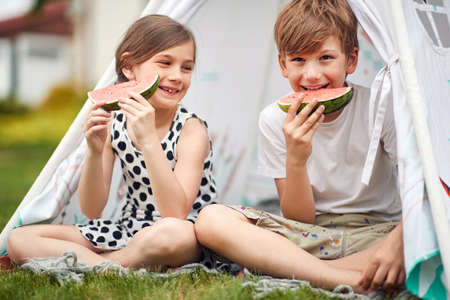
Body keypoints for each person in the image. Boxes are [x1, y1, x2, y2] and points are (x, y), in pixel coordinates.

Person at [195, 0, 404, 294]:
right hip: (309, 236)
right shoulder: (273, 119)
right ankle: (348, 278)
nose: (312, 75)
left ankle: (299, 271)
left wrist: (399, 242)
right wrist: (296, 158)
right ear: (283, 64)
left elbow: (422, 191)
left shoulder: (380, 107)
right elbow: (299, 219)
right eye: (298, 60)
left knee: (426, 232)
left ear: (351, 59)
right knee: (211, 220)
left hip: (376, 234)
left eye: (326, 58)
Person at [7, 14, 216, 269]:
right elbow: (92, 209)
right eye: (165, 63)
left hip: (183, 232)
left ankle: (103, 264)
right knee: (18, 239)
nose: (177, 76)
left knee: (173, 234)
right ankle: (114, 265)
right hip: (129, 229)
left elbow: (176, 213)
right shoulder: (115, 122)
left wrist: (149, 141)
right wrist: (95, 152)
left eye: (186, 67)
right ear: (129, 67)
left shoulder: (191, 129)